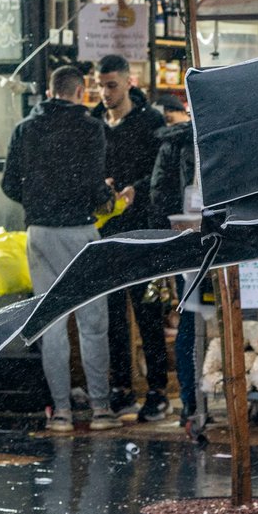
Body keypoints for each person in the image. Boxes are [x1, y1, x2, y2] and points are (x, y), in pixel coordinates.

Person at [0, 65, 125, 433]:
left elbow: (9, 184)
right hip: (78, 232)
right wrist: (106, 195)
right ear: (80, 91)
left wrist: (38, 200)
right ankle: (101, 409)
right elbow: (95, 186)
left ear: (51, 91)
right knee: (92, 323)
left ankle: (62, 412)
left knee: (50, 324)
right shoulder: (91, 128)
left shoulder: (25, 129)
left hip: (38, 233)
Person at [93, 54, 171, 422]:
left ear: (128, 82)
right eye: (99, 85)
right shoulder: (93, 125)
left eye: (111, 85)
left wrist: (137, 190)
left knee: (148, 311)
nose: (105, 93)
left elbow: (163, 173)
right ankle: (120, 387)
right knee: (111, 314)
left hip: (142, 230)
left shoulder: (151, 123)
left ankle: (157, 390)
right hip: (104, 231)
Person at [148, 94, 200, 427]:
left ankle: (191, 402)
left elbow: (158, 196)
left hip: (189, 244)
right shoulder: (227, 136)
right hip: (232, 243)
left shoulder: (174, 144)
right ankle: (204, 396)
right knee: (203, 321)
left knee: (193, 321)